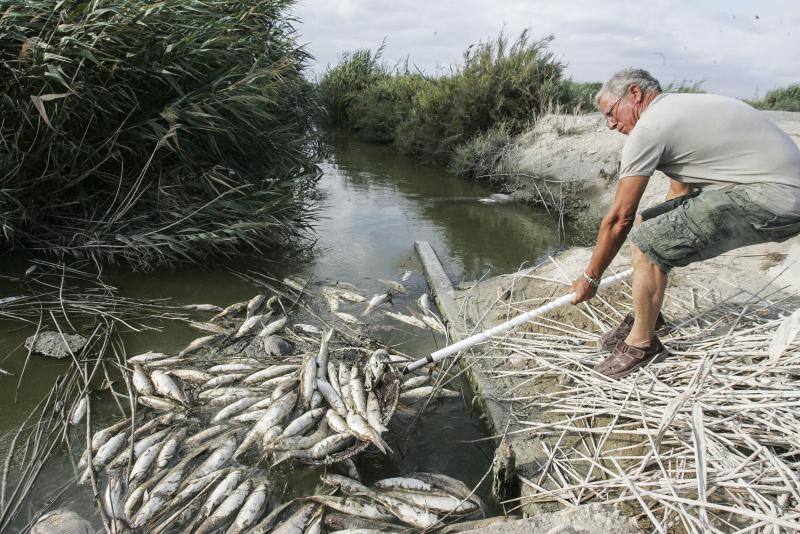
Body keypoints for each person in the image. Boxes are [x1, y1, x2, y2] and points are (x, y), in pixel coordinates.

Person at [570, 68, 800, 379]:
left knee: (648, 241)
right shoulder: (676, 110)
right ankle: (648, 317)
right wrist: (653, 228)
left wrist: (591, 277)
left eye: (611, 113)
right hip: (778, 190)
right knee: (650, 227)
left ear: (635, 94)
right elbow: (681, 189)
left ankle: (642, 345)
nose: (610, 124)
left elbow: (618, 218)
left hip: (773, 199)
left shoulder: (649, 128)